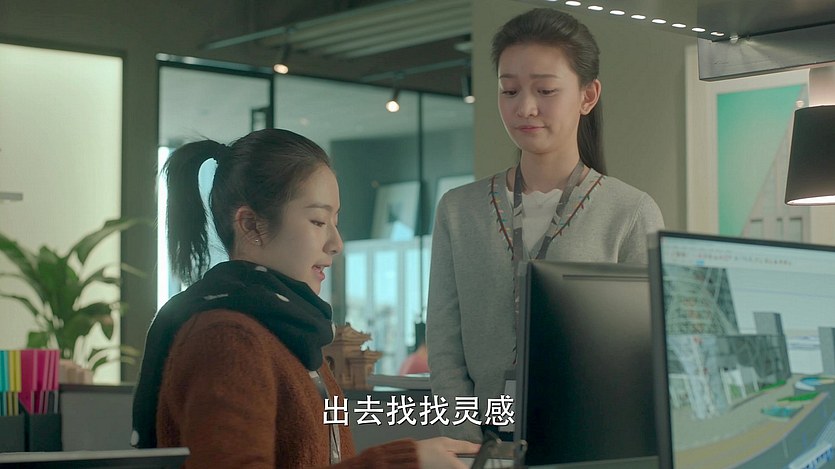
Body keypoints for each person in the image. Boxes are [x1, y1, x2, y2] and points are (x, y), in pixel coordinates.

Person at [131, 129, 478, 468]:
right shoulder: (228, 337)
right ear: (250, 225)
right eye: (318, 221)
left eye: (335, 221)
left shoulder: (289, 329)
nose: (336, 243)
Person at [426, 8, 665, 443]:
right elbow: (444, 343)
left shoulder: (630, 212)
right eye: (509, 90)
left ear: (588, 96)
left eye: (545, 90)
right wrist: (467, 439)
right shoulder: (458, 210)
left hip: (587, 443)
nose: (525, 107)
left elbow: (644, 354)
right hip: (481, 445)